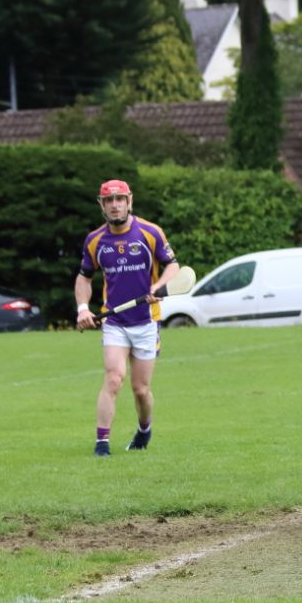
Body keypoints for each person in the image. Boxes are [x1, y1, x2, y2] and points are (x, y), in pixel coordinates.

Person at [75, 179, 179, 457]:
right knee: (113, 378)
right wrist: (83, 308)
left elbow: (173, 265)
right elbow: (84, 277)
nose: (115, 204)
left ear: (129, 201)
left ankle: (144, 429)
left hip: (146, 321)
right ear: (102, 205)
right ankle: (102, 444)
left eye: (120, 199)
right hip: (115, 324)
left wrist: (158, 288)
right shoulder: (95, 240)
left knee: (140, 389)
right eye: (109, 200)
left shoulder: (150, 232)